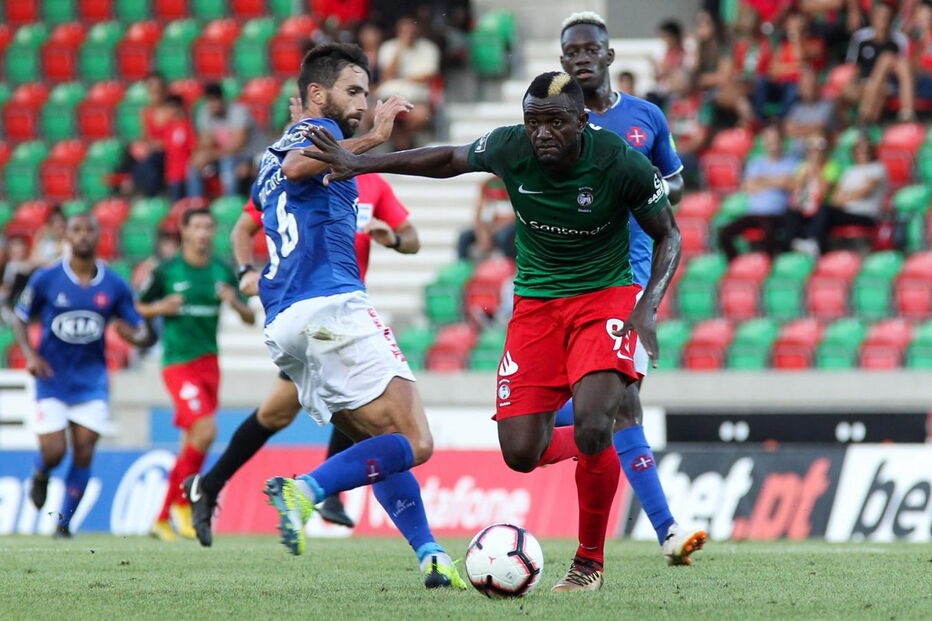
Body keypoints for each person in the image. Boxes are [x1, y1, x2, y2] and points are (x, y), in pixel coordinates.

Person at [301, 70, 682, 592]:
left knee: (595, 422)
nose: (542, 133)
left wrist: (648, 307)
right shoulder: (511, 146)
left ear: (582, 121)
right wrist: (363, 162)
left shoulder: (620, 161)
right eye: (533, 122)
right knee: (520, 454)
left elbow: (669, 235)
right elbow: (448, 158)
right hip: (535, 307)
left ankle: (588, 562)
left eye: (555, 123)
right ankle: (599, 444)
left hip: (604, 299)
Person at [226, 43, 465, 590]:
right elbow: (301, 165)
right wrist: (375, 138)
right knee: (417, 442)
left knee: (377, 446)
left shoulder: (268, 157)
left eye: (366, 92)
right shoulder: (322, 133)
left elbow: (288, 172)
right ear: (317, 94)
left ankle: (430, 554)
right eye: (353, 91)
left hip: (286, 323)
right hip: (331, 305)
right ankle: (306, 491)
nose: (363, 102)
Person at [184, 171, 421, 543]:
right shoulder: (301, 172)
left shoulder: (373, 183)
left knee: (276, 413)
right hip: (307, 308)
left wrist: (393, 239)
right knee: (359, 399)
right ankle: (322, 492)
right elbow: (243, 227)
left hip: (344, 312)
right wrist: (246, 270)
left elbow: (413, 240)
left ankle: (209, 484)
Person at [556, 11, 705, 568]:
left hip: (628, 276)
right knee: (583, 416)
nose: (582, 58)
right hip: (569, 276)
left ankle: (666, 530)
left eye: (590, 49)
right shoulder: (557, 120)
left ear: (609, 55)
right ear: (563, 61)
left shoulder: (646, 117)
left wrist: (645, 187)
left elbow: (677, 181)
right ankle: (558, 433)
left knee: (625, 401)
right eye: (572, 52)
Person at [14, 213, 151, 537]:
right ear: (67, 237)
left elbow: (142, 331)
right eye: (77, 230)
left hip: (92, 379)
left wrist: (135, 337)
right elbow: (20, 317)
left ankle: (64, 523)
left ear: (99, 236)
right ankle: (41, 473)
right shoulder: (46, 278)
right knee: (54, 451)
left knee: (85, 448)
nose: (83, 236)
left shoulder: (114, 284)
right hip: (52, 377)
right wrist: (30, 355)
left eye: (90, 230)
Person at [137, 208, 256, 541]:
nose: (203, 233)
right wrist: (160, 308)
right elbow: (137, 306)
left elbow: (250, 318)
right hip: (178, 363)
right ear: (184, 231)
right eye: (197, 227)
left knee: (192, 443)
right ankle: (184, 503)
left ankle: (161, 519)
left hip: (209, 364)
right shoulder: (166, 270)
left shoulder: (222, 270)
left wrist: (234, 301)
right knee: (206, 430)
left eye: (208, 227)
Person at [718, 123, 800, 260]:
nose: (772, 144)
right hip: (753, 213)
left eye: (775, 140)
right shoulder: (755, 163)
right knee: (725, 233)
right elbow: (748, 186)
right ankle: (735, 263)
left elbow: (792, 184)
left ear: (782, 140)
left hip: (776, 214)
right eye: (769, 140)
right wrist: (778, 181)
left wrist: (762, 181)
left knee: (769, 232)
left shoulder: (792, 162)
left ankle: (767, 264)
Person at [803, 134, 887, 252]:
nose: (863, 154)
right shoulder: (849, 172)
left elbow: (865, 192)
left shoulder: (877, 169)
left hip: (867, 214)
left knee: (826, 211)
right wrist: (850, 196)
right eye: (859, 151)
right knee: (818, 211)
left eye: (866, 151)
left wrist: (845, 197)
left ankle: (814, 244)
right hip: (847, 212)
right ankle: (815, 246)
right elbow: (836, 198)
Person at [188, 83, 265, 197]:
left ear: (222, 99)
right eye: (209, 101)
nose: (213, 105)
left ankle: (230, 200)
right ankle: (196, 201)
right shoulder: (205, 113)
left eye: (215, 100)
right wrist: (202, 156)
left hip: (250, 153)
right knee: (195, 163)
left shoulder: (238, 111)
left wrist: (211, 155)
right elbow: (206, 142)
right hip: (224, 154)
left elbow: (238, 145)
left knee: (228, 162)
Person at [376, 16, 440, 149]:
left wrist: (402, 78)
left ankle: (405, 141)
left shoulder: (429, 48)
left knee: (421, 116)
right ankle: (399, 141)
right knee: (373, 116)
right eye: (404, 30)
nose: (408, 34)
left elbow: (428, 76)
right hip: (389, 96)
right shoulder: (388, 47)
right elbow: (387, 73)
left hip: (416, 98)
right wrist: (399, 49)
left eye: (410, 30)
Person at [844, 2, 915, 122]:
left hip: (888, 84)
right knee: (846, 92)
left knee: (885, 62)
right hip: (864, 81)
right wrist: (853, 82)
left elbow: (904, 68)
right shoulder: (860, 38)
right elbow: (854, 66)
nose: (884, 22)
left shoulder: (899, 40)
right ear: (873, 19)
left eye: (887, 18)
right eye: (881, 18)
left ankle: (865, 118)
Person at [456, 176, 516, 260]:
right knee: (465, 236)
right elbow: (478, 216)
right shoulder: (487, 187)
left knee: (504, 237)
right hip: (490, 228)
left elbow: (514, 217)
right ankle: (463, 264)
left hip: (506, 227)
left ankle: (510, 263)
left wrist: (492, 231)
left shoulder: (513, 185)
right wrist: (482, 234)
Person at [162, 94, 197, 202]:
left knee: (190, 202)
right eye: (168, 108)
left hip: (188, 173)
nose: (170, 111)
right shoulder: (168, 127)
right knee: (176, 203)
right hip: (173, 173)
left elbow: (193, 147)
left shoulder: (188, 126)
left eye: (172, 107)